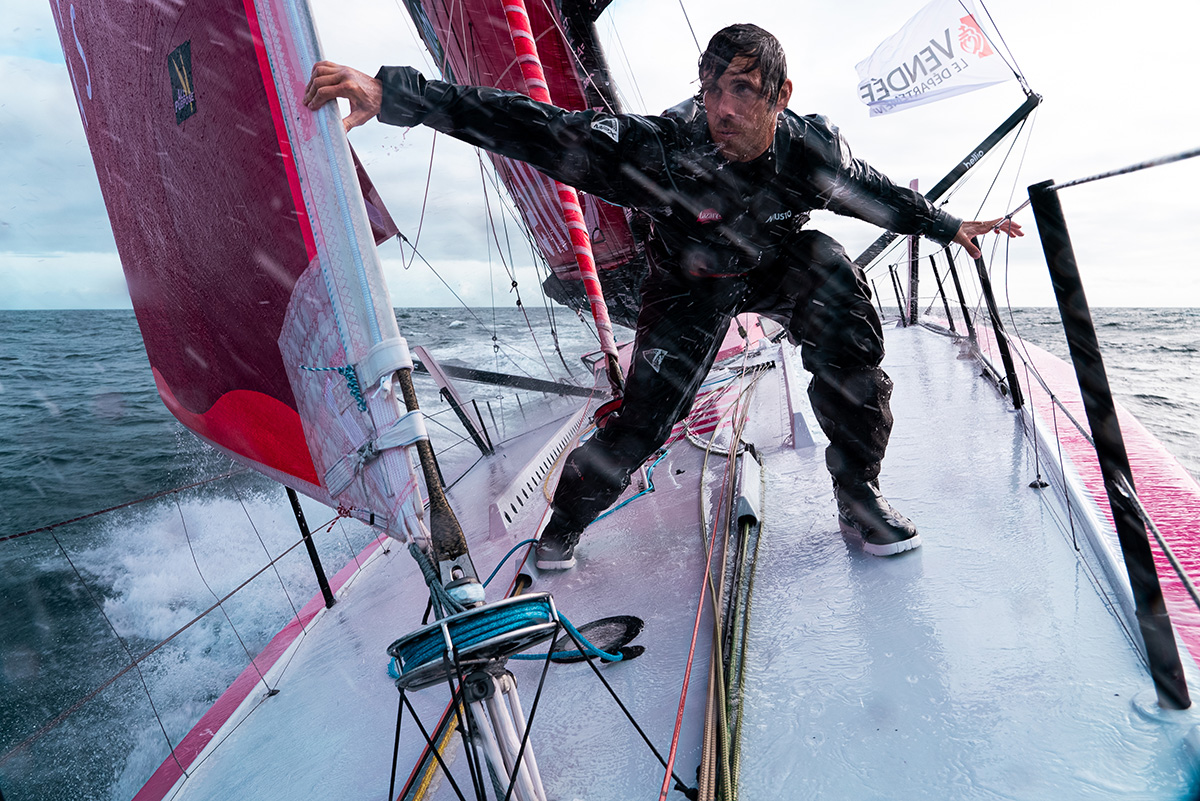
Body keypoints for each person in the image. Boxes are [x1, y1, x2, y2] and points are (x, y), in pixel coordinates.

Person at [304, 23, 1020, 569]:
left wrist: (951, 225)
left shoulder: (812, 149)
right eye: (711, 88)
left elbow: (874, 194)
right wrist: (400, 95)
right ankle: (564, 524)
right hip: (689, 283)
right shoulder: (662, 149)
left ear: (781, 96)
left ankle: (857, 491)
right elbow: (536, 128)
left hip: (775, 265)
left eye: (742, 89)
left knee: (832, 270)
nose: (722, 107)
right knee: (643, 425)